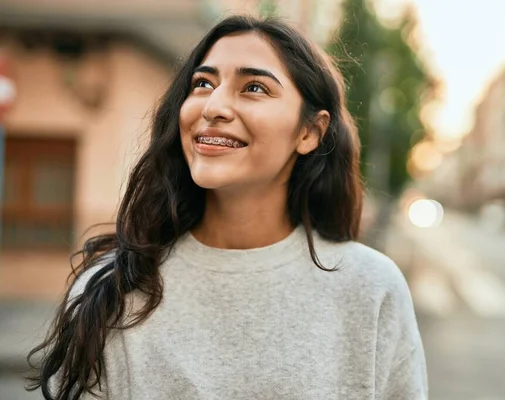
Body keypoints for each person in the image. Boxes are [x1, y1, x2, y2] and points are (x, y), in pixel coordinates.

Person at [27, 15, 427, 400]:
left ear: (309, 132)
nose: (213, 106)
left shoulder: (371, 288)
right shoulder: (111, 290)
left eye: (254, 88)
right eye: (202, 83)